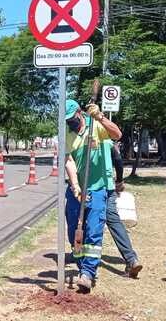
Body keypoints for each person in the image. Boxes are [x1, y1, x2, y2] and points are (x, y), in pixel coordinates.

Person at [64, 99, 122, 293]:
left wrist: (100, 117)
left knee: (94, 230)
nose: (70, 124)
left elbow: (117, 134)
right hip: (76, 189)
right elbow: (69, 160)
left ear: (80, 113)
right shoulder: (66, 134)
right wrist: (75, 186)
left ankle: (88, 273)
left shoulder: (95, 126)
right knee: (74, 230)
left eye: (72, 119)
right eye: (67, 121)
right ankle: (81, 266)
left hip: (97, 188)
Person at [105, 140, 143, 278]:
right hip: (109, 187)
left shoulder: (83, 137)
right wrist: (119, 180)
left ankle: (83, 261)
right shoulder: (108, 141)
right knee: (115, 223)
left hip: (91, 189)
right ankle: (131, 259)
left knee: (88, 222)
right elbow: (118, 160)